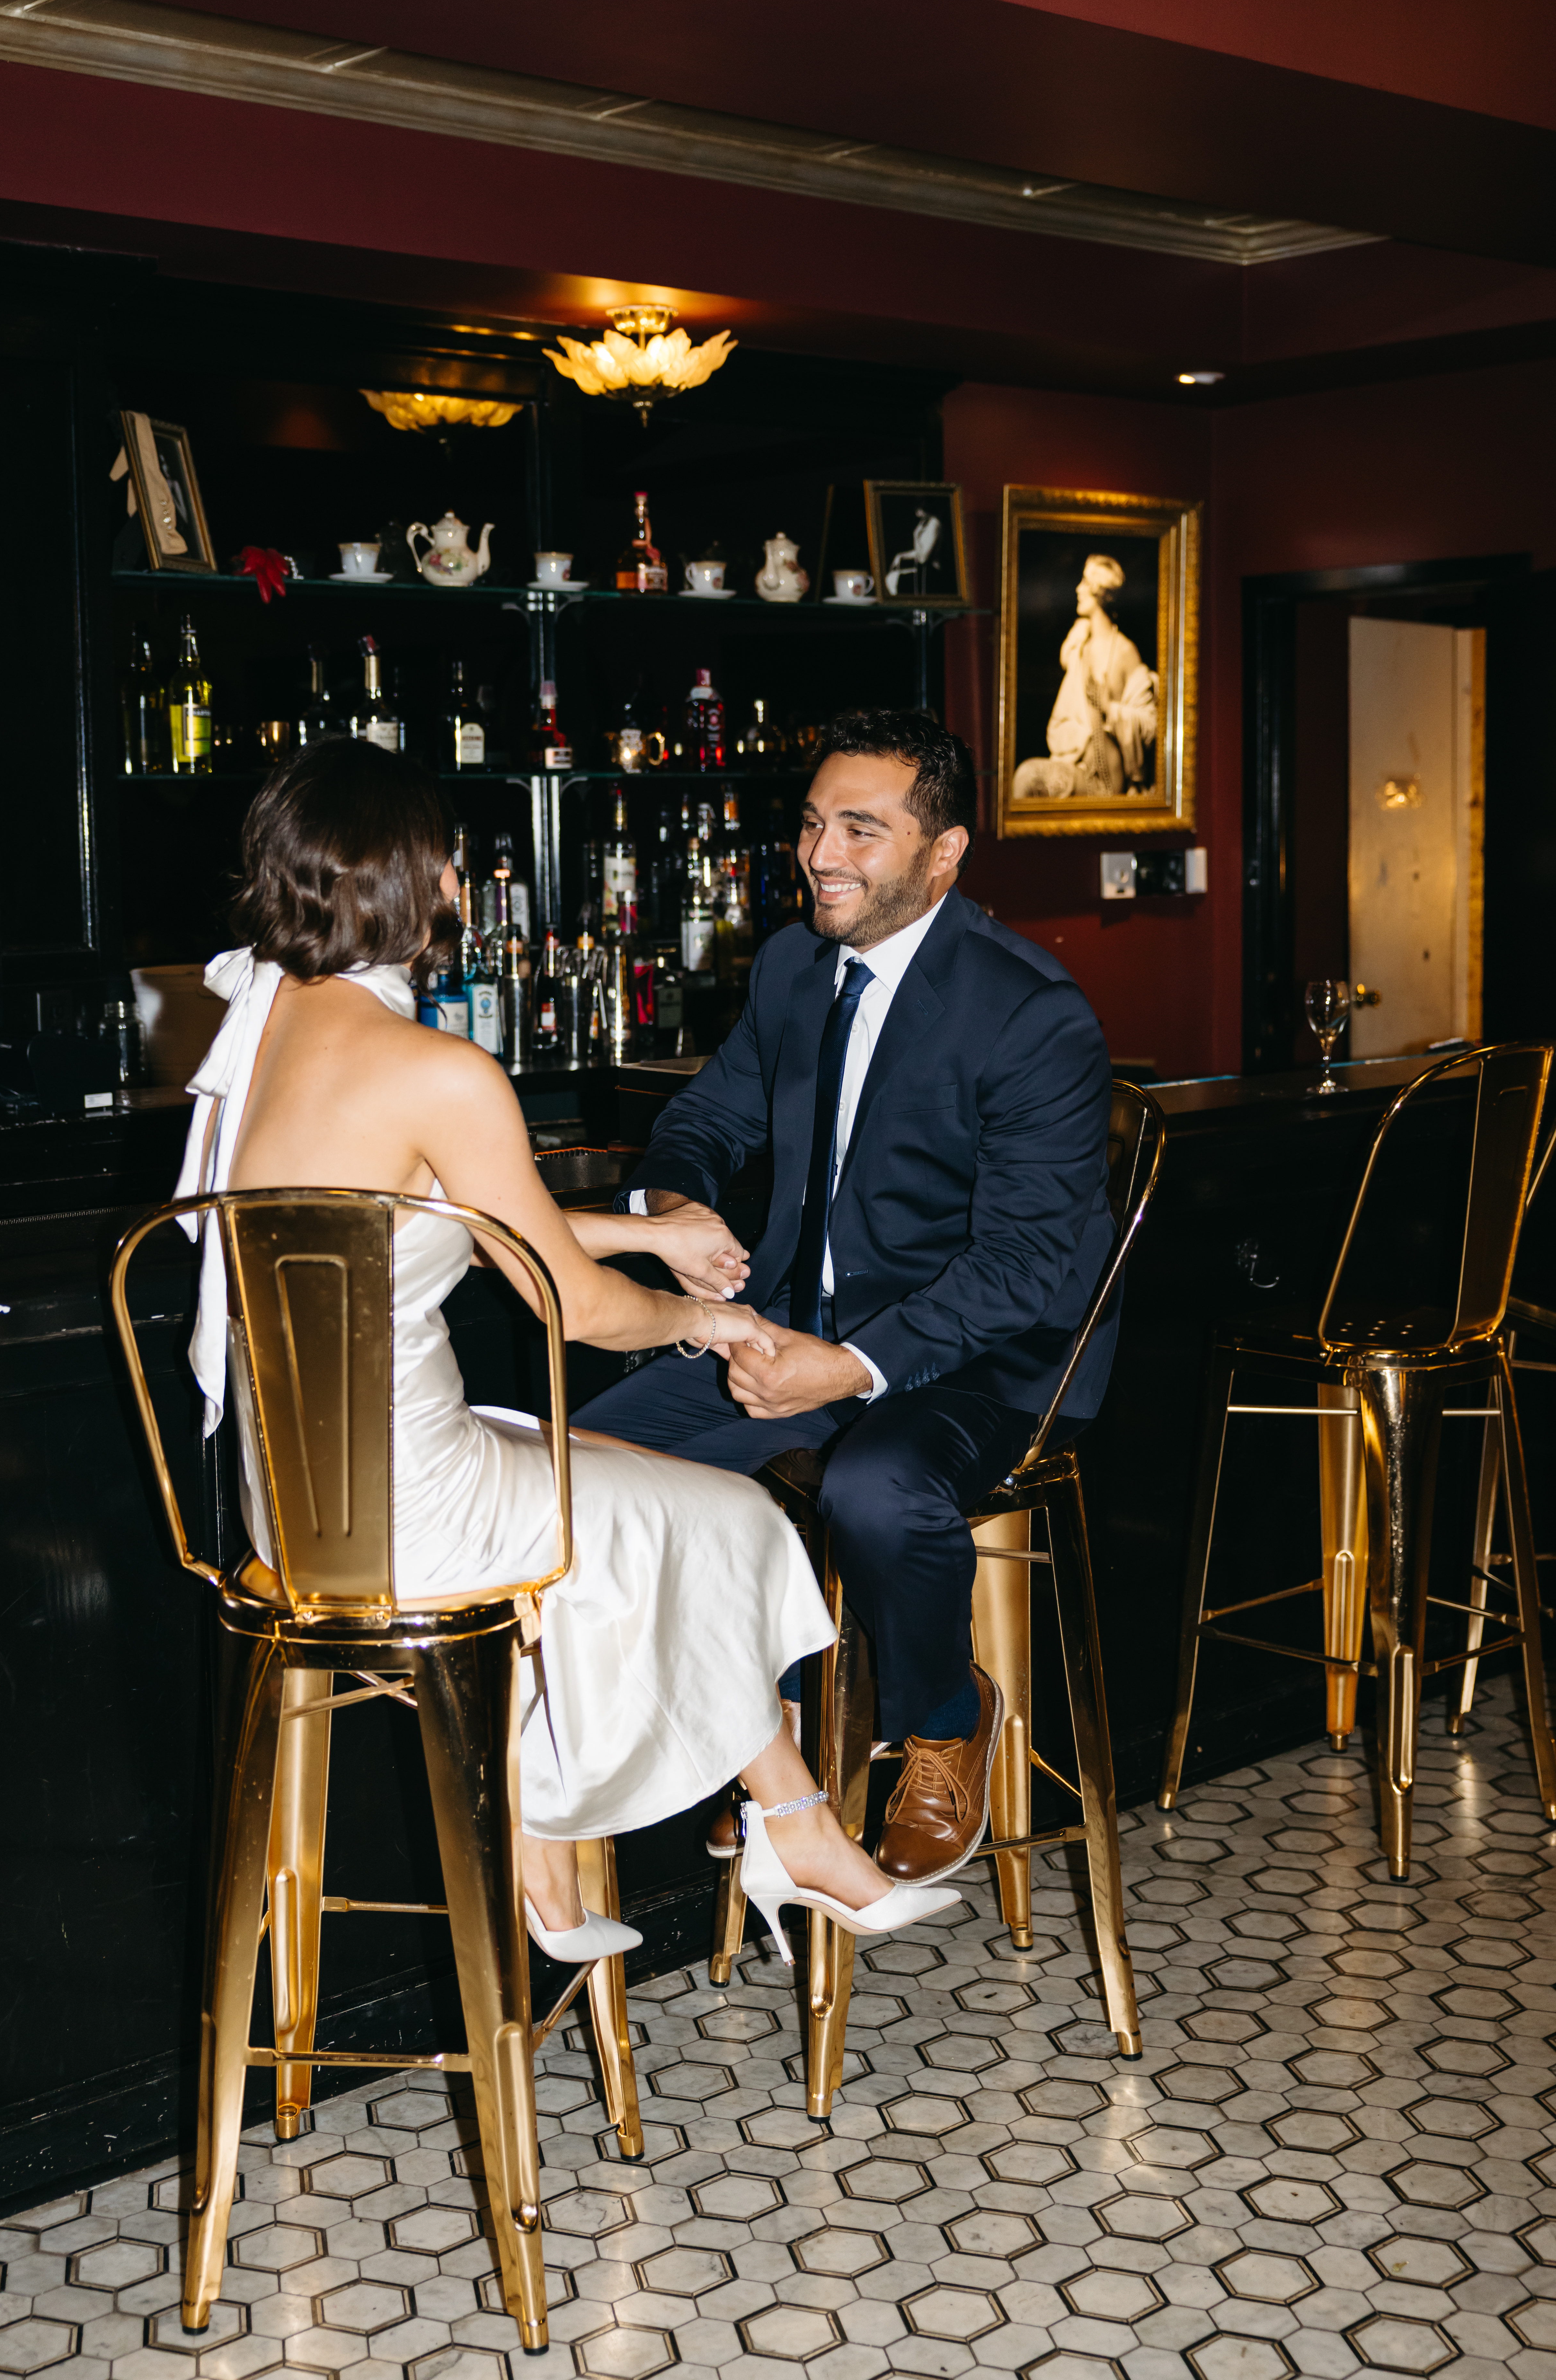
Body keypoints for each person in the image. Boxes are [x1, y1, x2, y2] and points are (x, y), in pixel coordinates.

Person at [176, 740, 960, 1965]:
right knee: (724, 1513)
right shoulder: (441, 1066)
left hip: (296, 1506)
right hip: (414, 1509)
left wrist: (647, 1231)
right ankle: (786, 1826)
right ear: (420, 878)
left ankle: (566, 1858)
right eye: (446, 864)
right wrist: (710, 1316)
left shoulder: (259, 1027)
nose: (456, 886)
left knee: (596, 1474)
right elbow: (572, 1309)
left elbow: (440, 1212)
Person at [575, 711, 1118, 1885]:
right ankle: (757, 1737)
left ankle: (939, 1715)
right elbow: (706, 1119)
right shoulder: (789, 965)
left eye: (860, 830)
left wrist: (854, 1365)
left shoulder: (1030, 1013)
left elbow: (1023, 1267)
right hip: (793, 1332)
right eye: (814, 824)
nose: (821, 854)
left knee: (875, 1483)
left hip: (992, 1357)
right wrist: (677, 1211)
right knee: (587, 1468)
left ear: (943, 853)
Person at [1012, 553, 1158, 800]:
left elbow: (1149, 722)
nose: (1078, 590)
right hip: (1073, 761)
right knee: (1026, 778)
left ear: (1098, 591)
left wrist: (1109, 708)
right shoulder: (1080, 645)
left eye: (1084, 583)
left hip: (1102, 776)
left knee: (1028, 777)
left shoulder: (1123, 651)